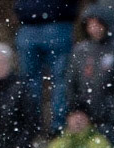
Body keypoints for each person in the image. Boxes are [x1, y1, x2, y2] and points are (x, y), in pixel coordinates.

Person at [68, 5, 114, 148]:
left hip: (111, 120)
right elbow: (71, 83)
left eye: (98, 24)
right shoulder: (80, 51)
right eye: (90, 25)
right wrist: (77, 109)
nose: (94, 29)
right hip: (85, 117)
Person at [14, 0, 78, 132]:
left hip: (58, 22)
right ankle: (31, 123)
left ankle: (58, 125)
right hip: (30, 23)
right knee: (29, 81)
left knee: (60, 79)